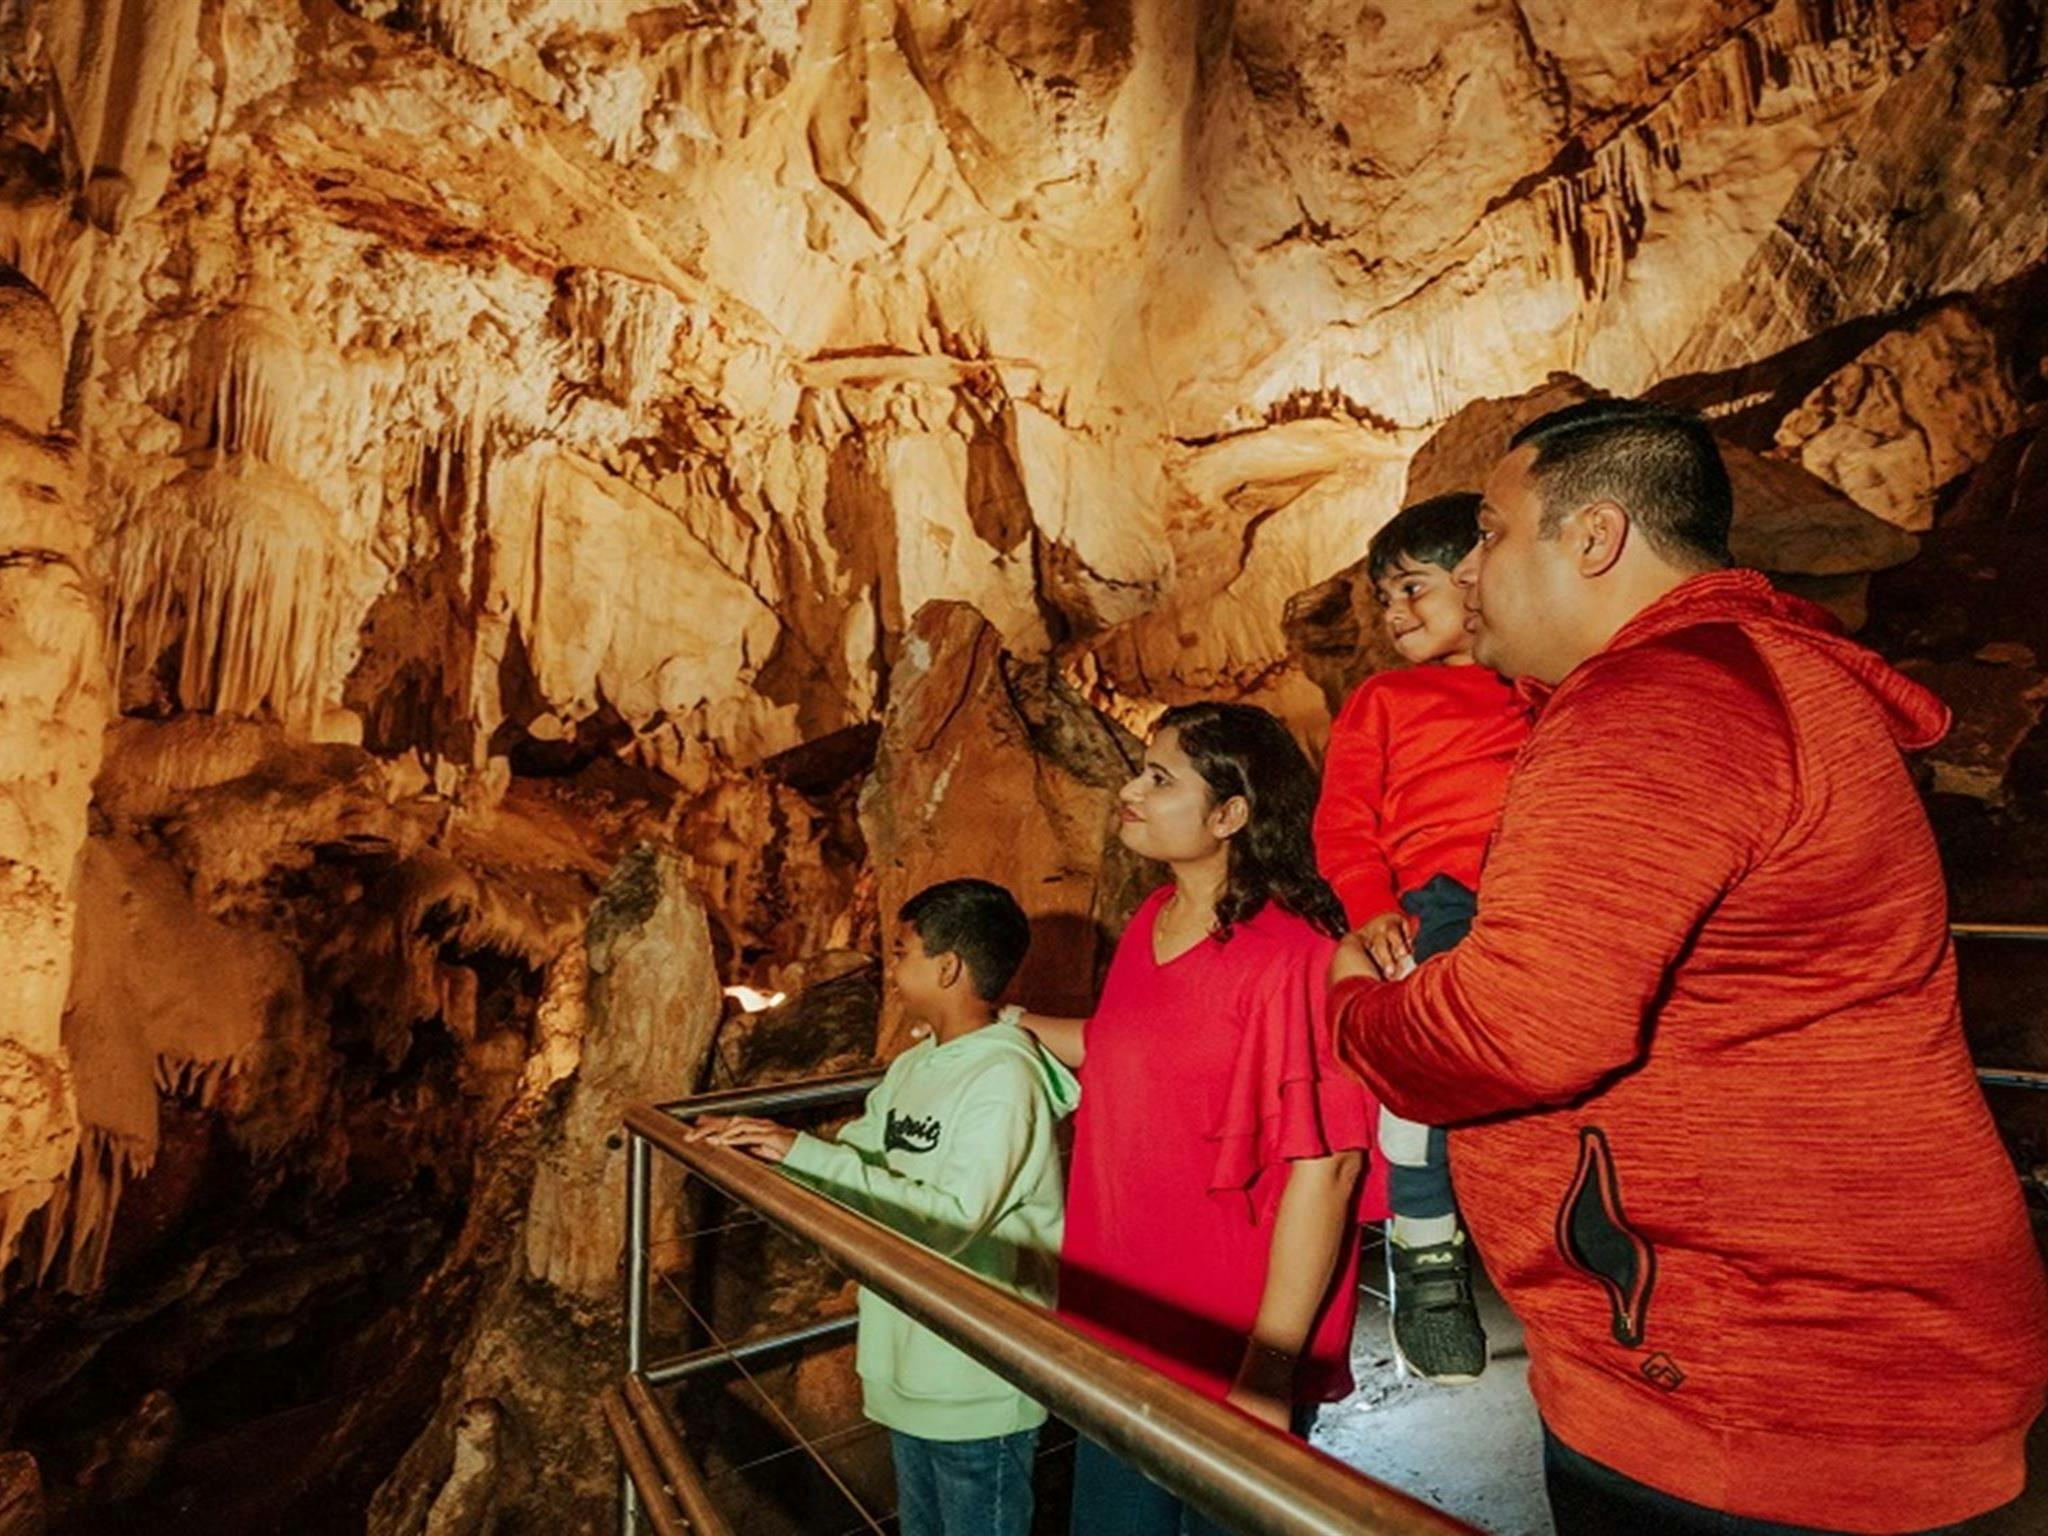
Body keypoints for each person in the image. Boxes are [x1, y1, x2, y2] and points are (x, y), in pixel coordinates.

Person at [1329, 398, 2048, 1535]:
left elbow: (1514, 1031)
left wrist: (1354, 1006)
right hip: (1792, 1353)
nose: (1469, 572)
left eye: (1493, 531)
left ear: (1593, 536)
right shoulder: (1751, 677)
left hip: (1755, 1389)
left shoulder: (1661, 703)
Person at [1025, 701, 1384, 1536]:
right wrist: (995, 1026)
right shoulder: (1154, 919)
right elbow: (1116, 1048)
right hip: (1119, 1314)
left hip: (1222, 1334)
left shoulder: (1297, 956)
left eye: (1158, 778)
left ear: (1231, 815)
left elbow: (1326, 1166)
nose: (1131, 790)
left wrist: (1268, 1365)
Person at [689, 878, 1077, 1536]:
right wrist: (763, 1150)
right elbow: (854, 1166)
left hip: (974, 1378)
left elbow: (947, 1219)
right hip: (906, 1365)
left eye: (901, 952)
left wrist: (801, 1152)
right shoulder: (913, 1067)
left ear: (948, 966)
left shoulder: (1004, 1080)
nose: (891, 968)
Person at [1313, 491, 1530, 1383]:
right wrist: (1371, 903)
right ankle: (1425, 1247)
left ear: (1478, 581)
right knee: (1423, 1063)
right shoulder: (1386, 697)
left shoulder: (1544, 683)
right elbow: (1345, 817)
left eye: (1413, 589)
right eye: (1385, 597)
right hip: (1440, 898)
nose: (1395, 613)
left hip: (1538, 885)